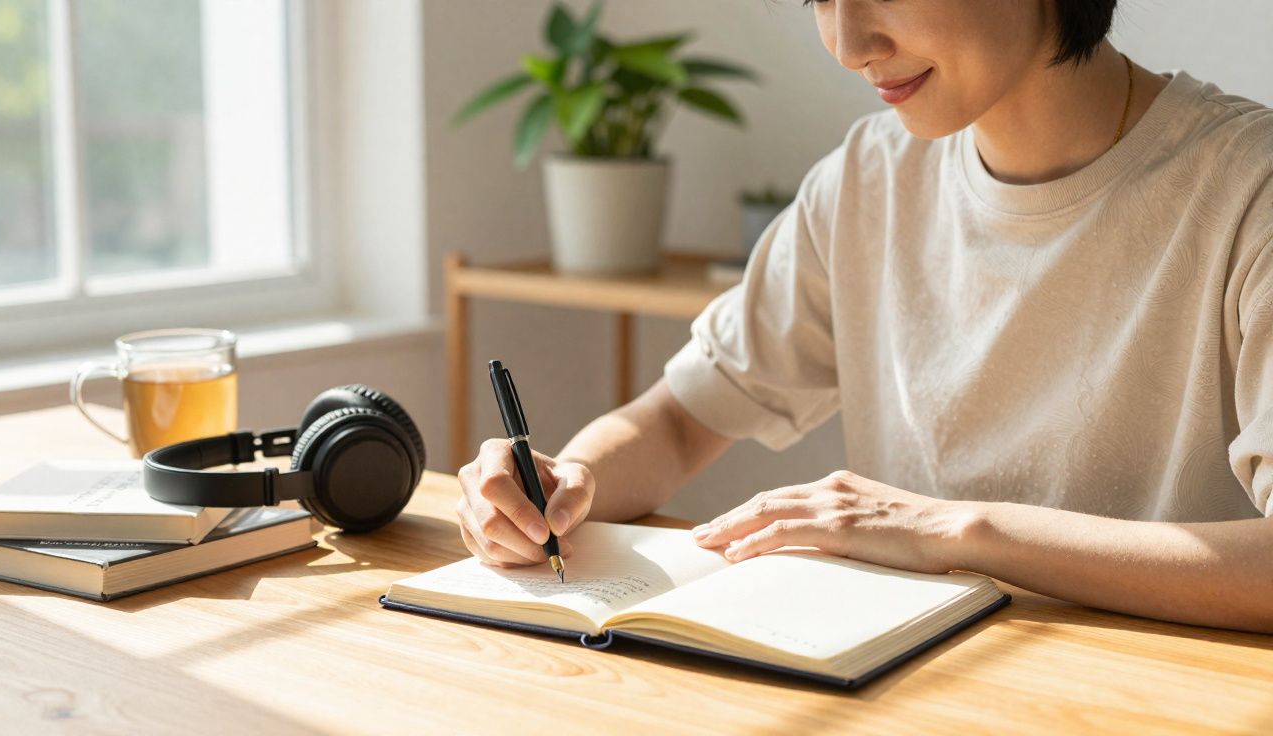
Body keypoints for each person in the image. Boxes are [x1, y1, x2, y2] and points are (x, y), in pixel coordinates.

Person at [456, 0, 1273, 632]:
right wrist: (558, 487)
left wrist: (954, 531)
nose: (849, 44)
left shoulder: (1247, 191)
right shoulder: (864, 181)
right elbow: (676, 421)